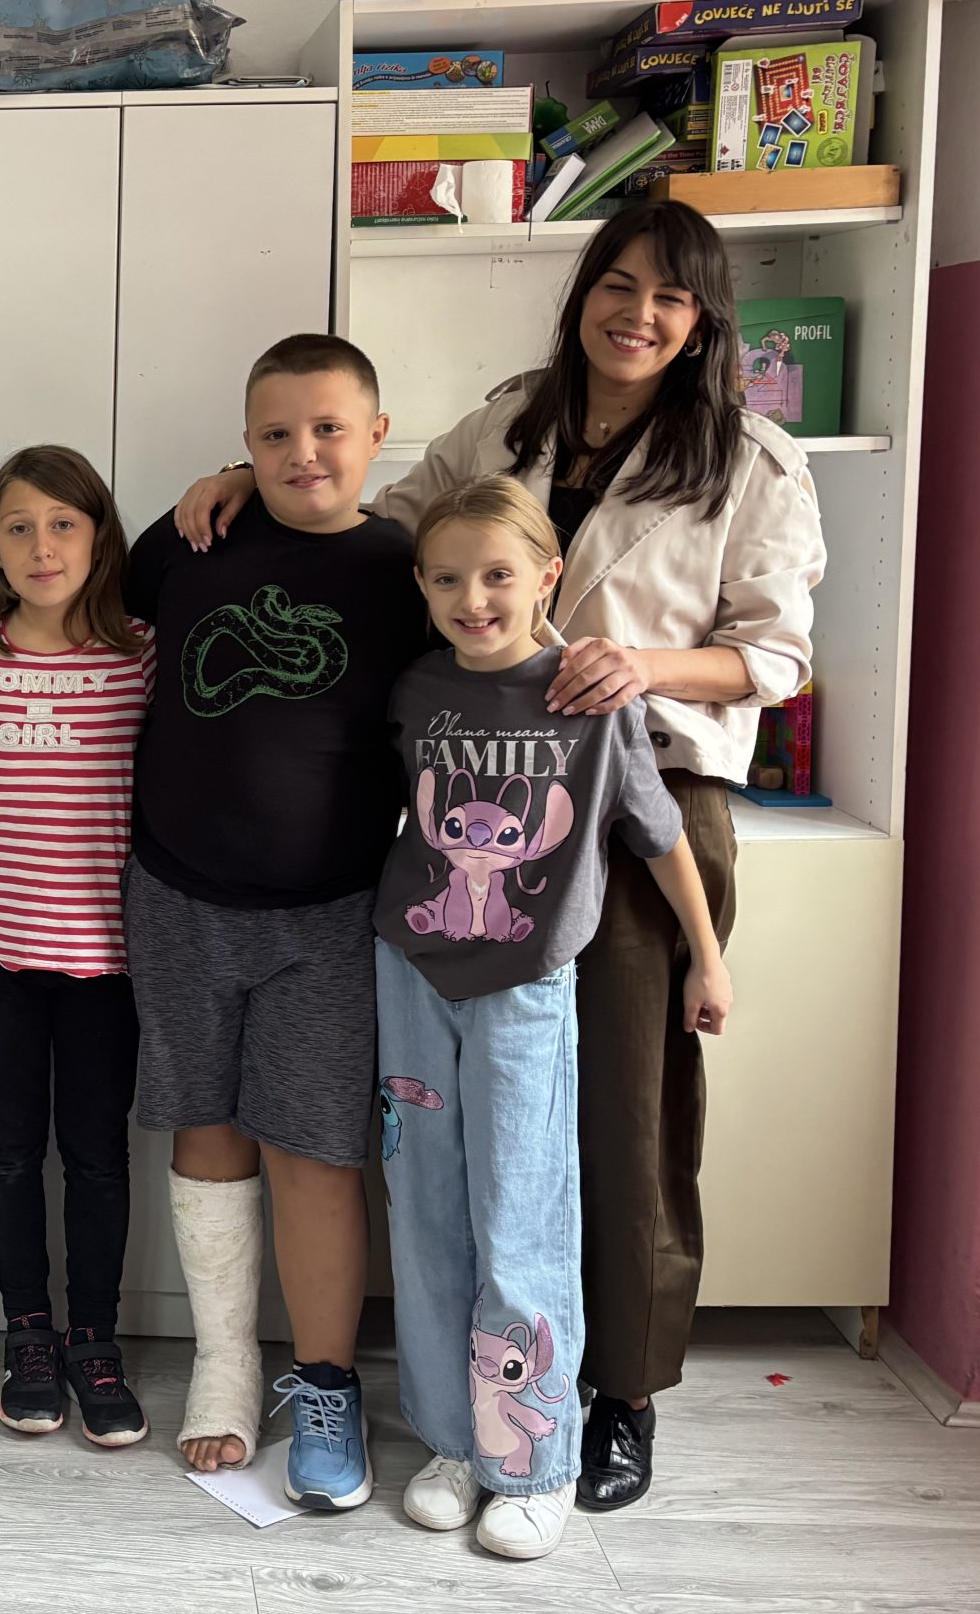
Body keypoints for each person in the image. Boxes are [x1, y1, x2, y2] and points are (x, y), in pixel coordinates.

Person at [174, 198, 823, 1508]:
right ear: (584, 292)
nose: (639, 315)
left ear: (704, 323)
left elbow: (775, 654)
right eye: (619, 284)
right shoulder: (510, 422)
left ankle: (618, 1394)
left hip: (641, 789)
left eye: (672, 298)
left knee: (623, 1119)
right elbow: (385, 530)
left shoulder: (749, 458)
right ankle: (468, 1410)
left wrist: (640, 666)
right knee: (461, 1138)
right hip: (480, 798)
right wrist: (255, 486)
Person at [377, 474, 731, 1562]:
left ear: (547, 576)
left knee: (522, 1216)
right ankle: (453, 1440)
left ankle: (531, 1461)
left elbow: (656, 833)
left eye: (496, 575)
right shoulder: (415, 689)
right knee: (426, 1211)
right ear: (422, 586)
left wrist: (706, 958)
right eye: (447, 579)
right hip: (411, 974)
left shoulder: (591, 697)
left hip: (526, 992)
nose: (472, 599)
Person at [123, 333, 438, 1510]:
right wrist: (215, 488)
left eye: (327, 429)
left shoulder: (405, 569)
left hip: (330, 916)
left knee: (314, 1152)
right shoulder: (192, 538)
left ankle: (324, 1386)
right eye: (274, 435)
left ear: (376, 436)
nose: (303, 452)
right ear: (244, 444)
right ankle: (221, 1368)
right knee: (203, 1128)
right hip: (176, 894)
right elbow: (104, 628)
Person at [0, 446, 156, 1447]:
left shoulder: (140, 653)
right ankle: (27, 1333)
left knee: (98, 1158)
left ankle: (93, 1339)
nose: (42, 547)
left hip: (107, 959)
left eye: (64, 524)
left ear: (99, 538)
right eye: (19, 527)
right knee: (7, 1153)